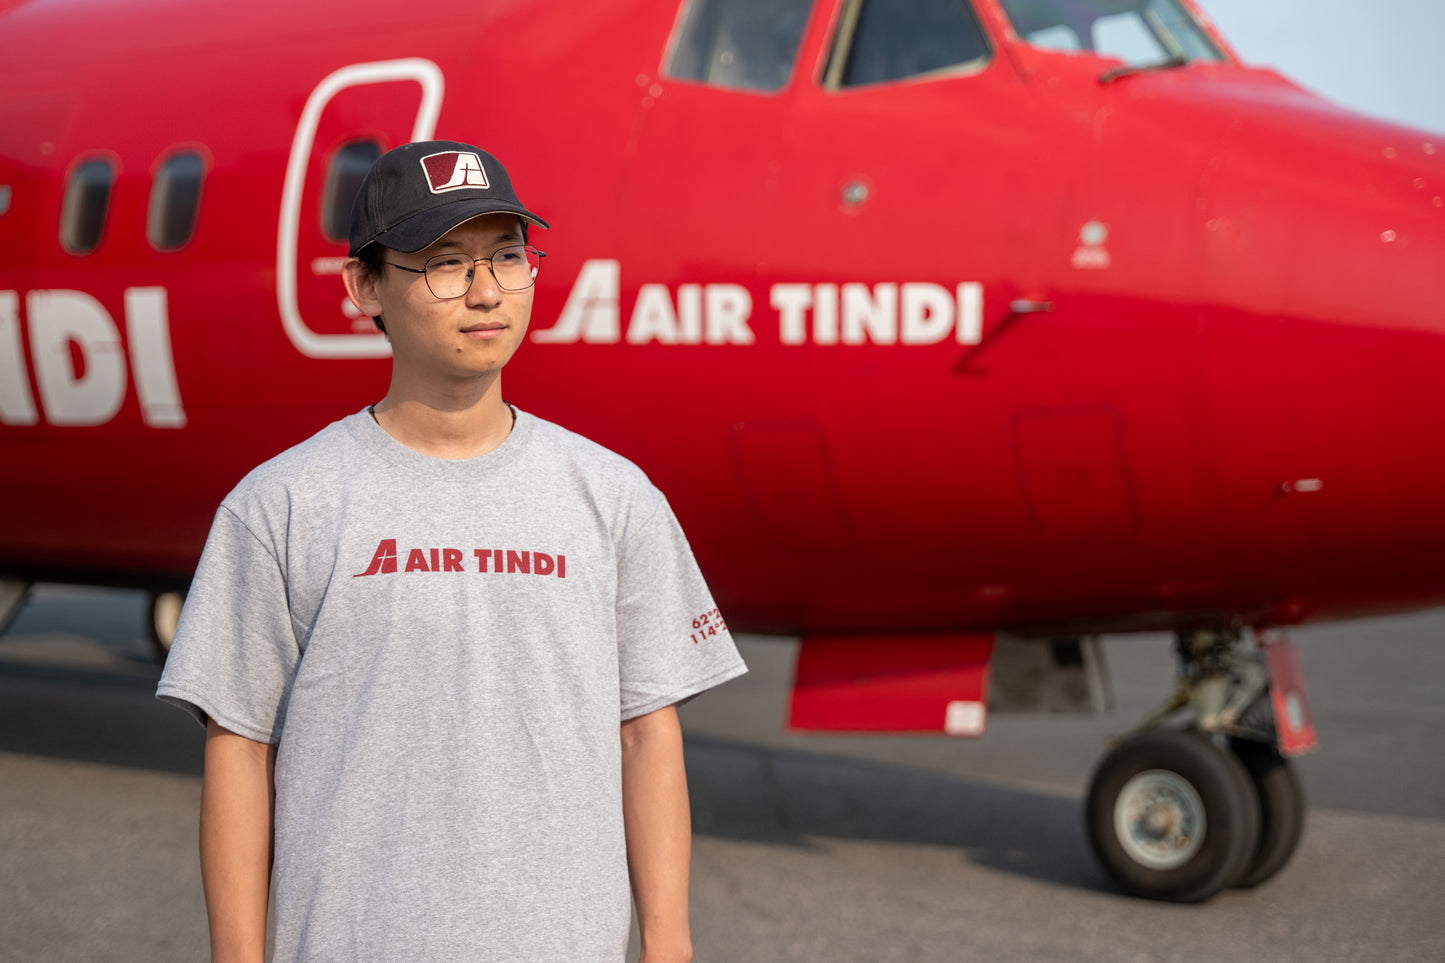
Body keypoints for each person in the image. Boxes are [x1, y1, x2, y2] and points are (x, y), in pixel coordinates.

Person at [157, 140, 746, 963]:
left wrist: (669, 945)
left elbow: (648, 735)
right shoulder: (281, 503)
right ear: (365, 288)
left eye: (506, 256)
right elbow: (238, 747)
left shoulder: (614, 498)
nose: (485, 292)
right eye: (443, 263)